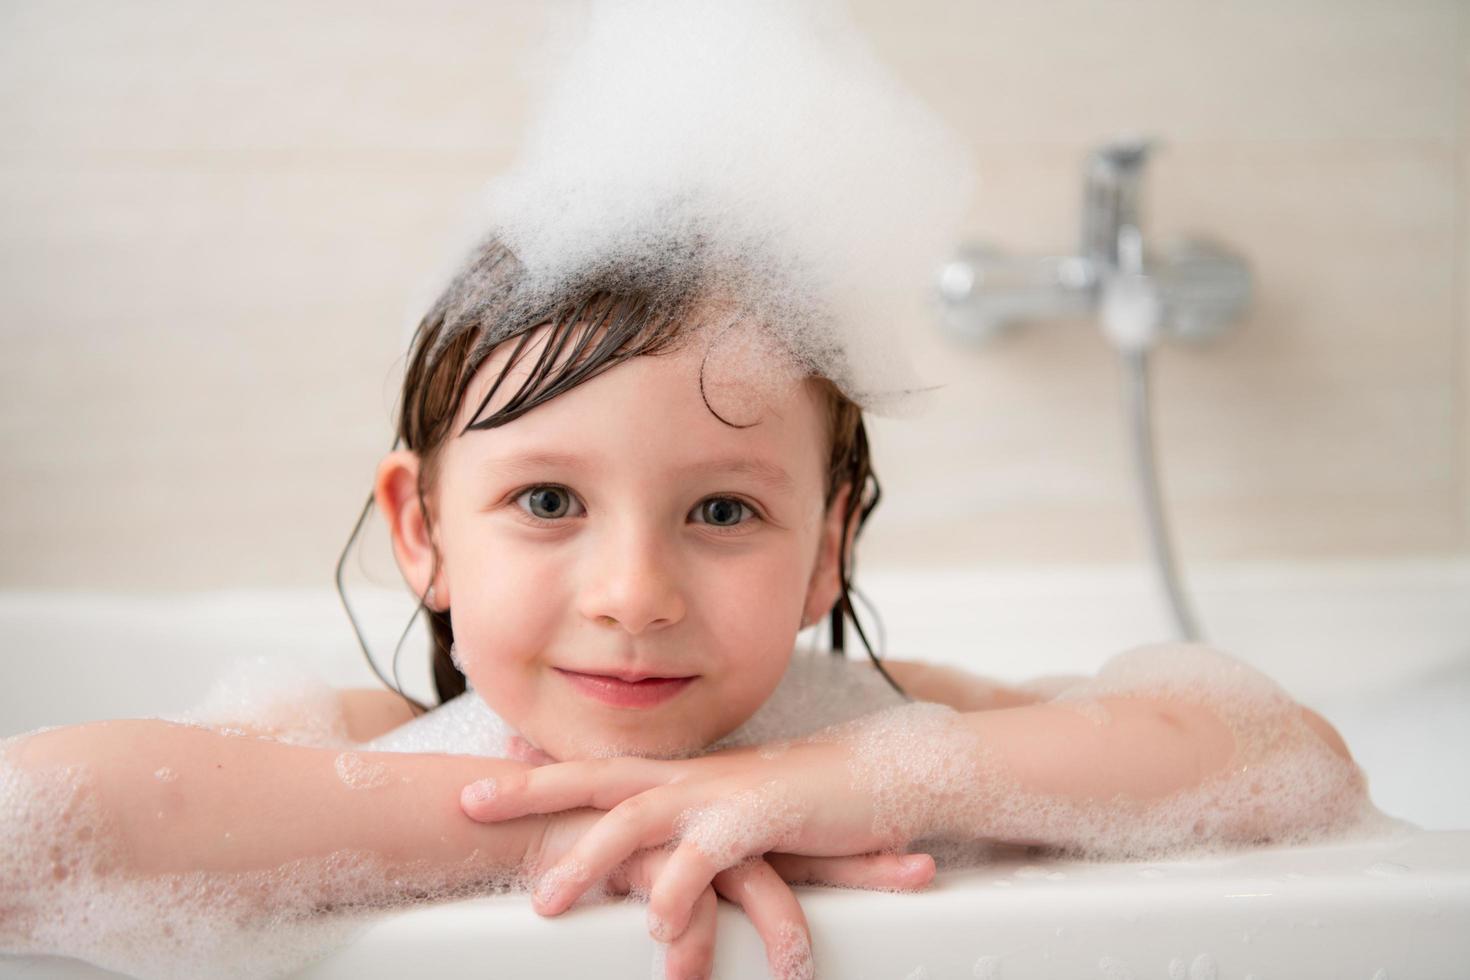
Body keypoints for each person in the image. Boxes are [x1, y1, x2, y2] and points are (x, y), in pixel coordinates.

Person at [2, 234, 1370, 980]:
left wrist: (835, 777)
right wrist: (563, 826)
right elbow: (36, 830)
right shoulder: (364, 739)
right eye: (546, 501)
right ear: (422, 530)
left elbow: (1278, 756)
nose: (635, 596)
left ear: (825, 548)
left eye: (722, 511)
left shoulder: (869, 730)